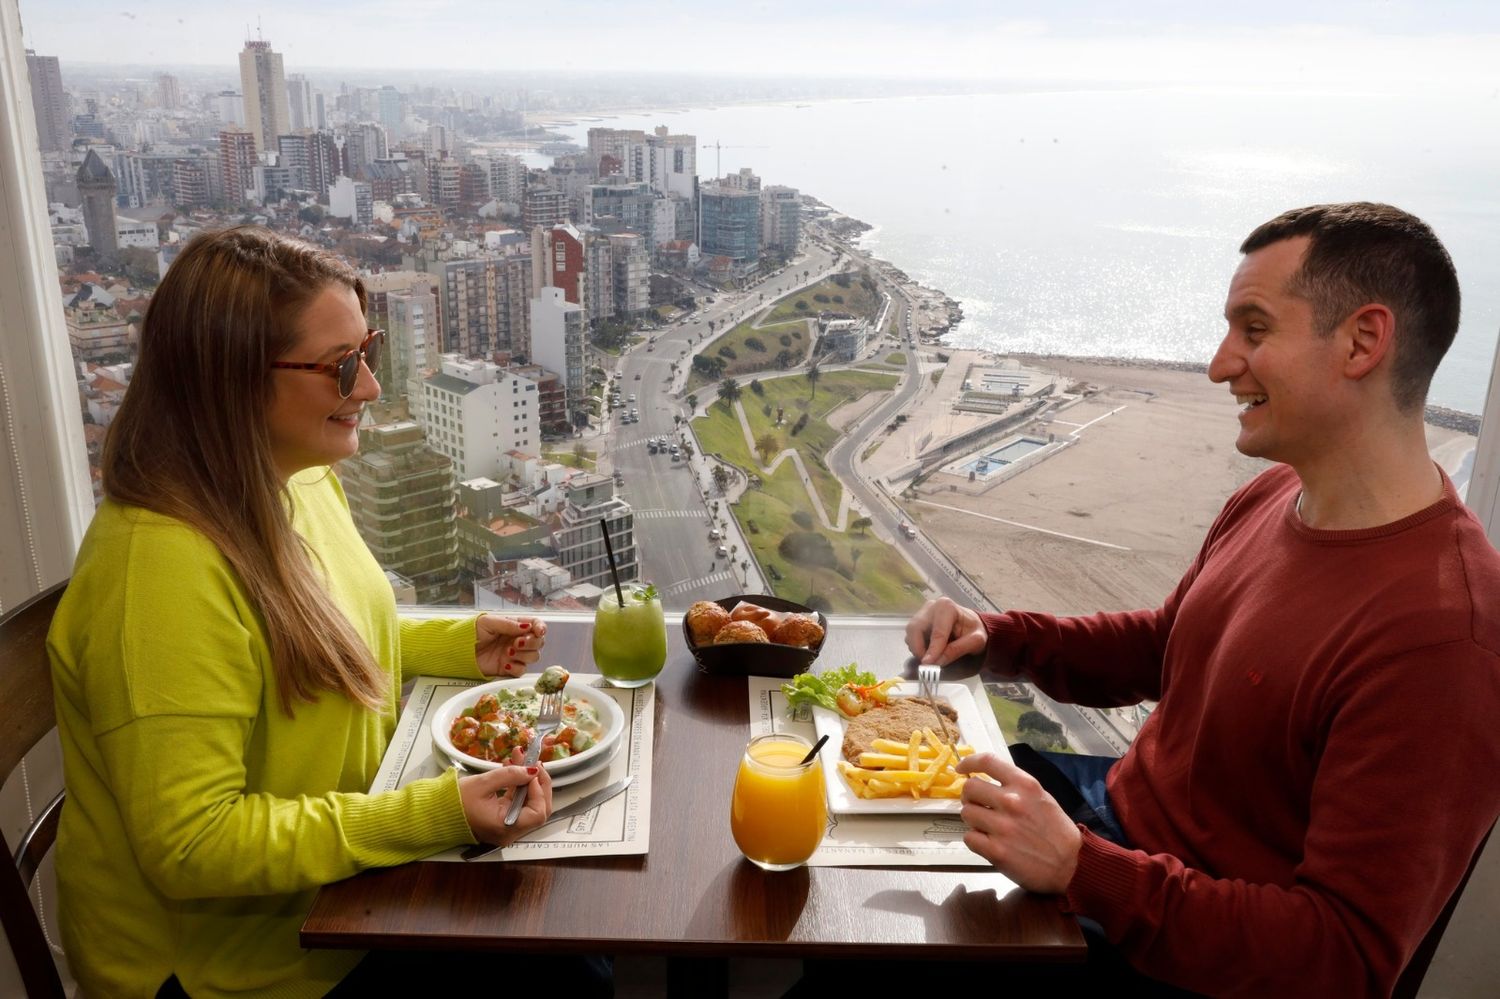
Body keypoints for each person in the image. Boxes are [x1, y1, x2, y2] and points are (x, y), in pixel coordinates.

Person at [906, 203, 1500, 996]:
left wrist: (1086, 870)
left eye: (1254, 329)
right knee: (876, 833)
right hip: (1111, 830)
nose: (1220, 365)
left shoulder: (1444, 639)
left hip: (1166, 946)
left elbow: (1344, 959)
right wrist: (998, 637)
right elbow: (1169, 645)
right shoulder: (1275, 493)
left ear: (1363, 341)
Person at [47, 226, 559, 998]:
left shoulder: (295, 476)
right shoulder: (157, 570)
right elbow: (192, 843)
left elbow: (303, 635)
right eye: (339, 365)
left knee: (561, 950)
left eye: (369, 348)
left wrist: (457, 642)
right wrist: (430, 816)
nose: (370, 388)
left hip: (335, 903)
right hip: (243, 971)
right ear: (232, 382)